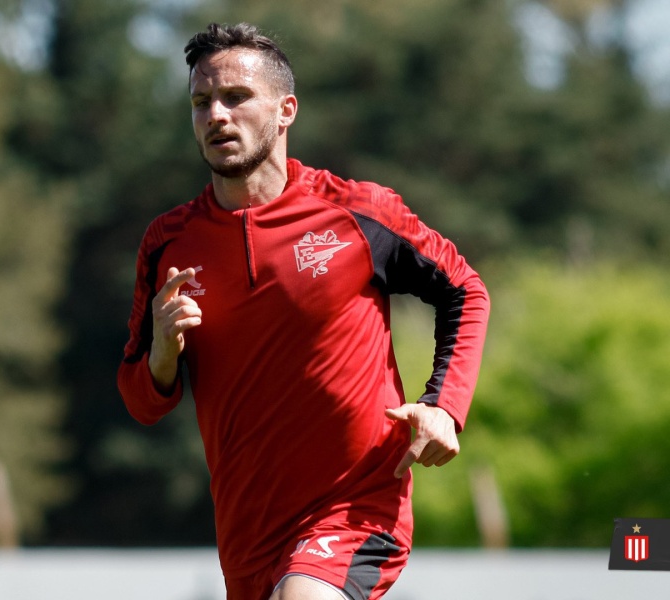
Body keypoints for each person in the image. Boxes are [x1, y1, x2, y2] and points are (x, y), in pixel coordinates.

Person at [118, 22, 490, 600]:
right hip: (246, 534)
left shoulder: (357, 213)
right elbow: (140, 401)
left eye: (236, 97)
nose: (216, 115)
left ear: (285, 110)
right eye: (201, 101)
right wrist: (163, 355)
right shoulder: (168, 244)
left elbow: (465, 290)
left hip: (356, 506)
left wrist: (444, 406)